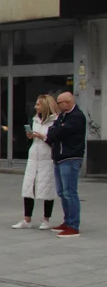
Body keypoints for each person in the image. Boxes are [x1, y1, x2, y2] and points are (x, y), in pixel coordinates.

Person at [42, 91, 86, 237]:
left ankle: (73, 226)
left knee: (70, 193)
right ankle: (67, 222)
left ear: (68, 102)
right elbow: (51, 132)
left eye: (60, 103)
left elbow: (59, 132)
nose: (58, 105)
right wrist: (57, 129)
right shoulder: (63, 116)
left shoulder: (77, 117)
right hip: (59, 158)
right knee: (62, 193)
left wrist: (57, 129)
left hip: (70, 158)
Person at [13, 94, 58, 230]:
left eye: (38, 104)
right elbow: (33, 140)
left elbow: (54, 140)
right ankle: (27, 219)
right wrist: (31, 136)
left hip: (47, 158)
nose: (35, 107)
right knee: (28, 187)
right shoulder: (35, 120)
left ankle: (46, 219)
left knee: (47, 187)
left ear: (45, 105)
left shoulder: (55, 121)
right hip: (34, 157)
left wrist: (42, 136)